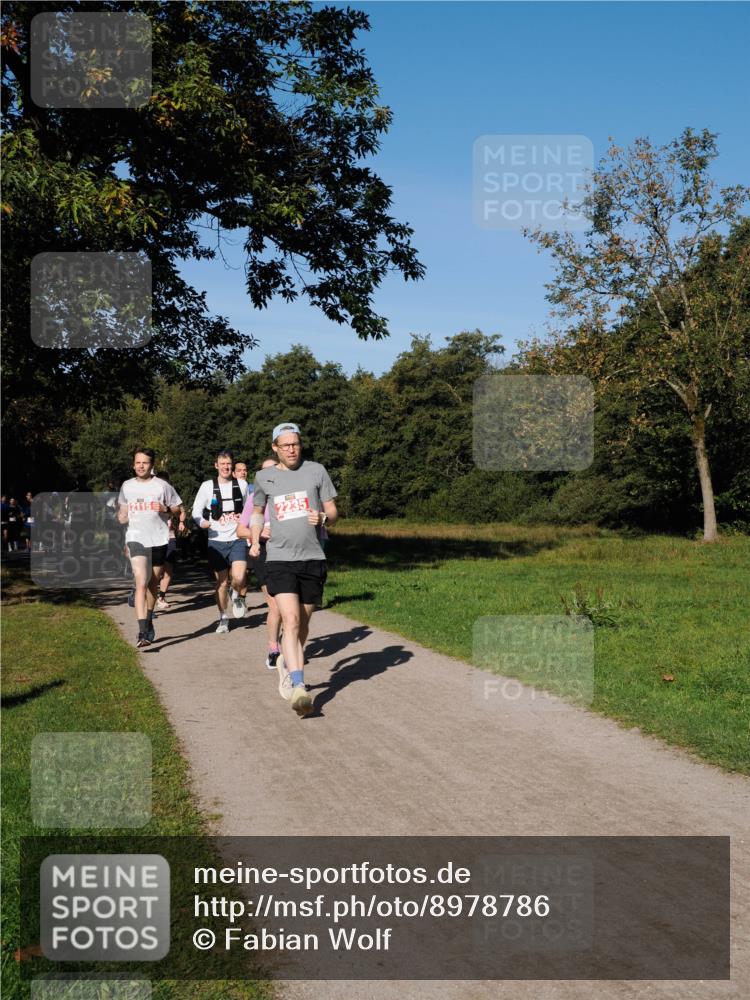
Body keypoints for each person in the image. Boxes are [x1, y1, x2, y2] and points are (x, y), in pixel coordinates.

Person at [249, 423, 338, 716]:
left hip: (312, 556)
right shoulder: (264, 477)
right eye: (285, 445)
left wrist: (323, 517)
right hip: (279, 558)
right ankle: (299, 686)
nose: (291, 449)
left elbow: (334, 512)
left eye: (295, 444)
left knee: (303, 622)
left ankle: (287, 662)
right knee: (290, 620)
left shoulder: (317, 471)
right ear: (275, 447)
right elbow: (258, 512)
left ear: (301, 444)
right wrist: (255, 537)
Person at [118, 448, 182, 647]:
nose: (141, 466)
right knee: (141, 582)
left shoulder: (162, 486)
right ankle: (142, 631)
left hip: (159, 539)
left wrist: (165, 509)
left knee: (154, 583)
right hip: (136, 538)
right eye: (138, 462)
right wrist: (122, 518)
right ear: (133, 464)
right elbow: (123, 512)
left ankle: (149, 617)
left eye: (145, 462)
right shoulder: (127, 486)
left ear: (152, 465)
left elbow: (177, 509)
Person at [192, 449, 249, 633]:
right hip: (216, 541)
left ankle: (236, 594)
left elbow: (249, 510)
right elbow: (196, 512)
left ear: (232, 466)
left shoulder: (241, 485)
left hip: (237, 538)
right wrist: (202, 522)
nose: (225, 467)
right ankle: (223, 617)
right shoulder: (207, 486)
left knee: (239, 577)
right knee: (222, 582)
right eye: (222, 463)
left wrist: (249, 530)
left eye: (228, 464)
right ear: (216, 465)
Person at [238, 458, 281, 669]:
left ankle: (290, 645)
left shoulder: (288, 495)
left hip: (289, 552)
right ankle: (274, 650)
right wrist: (260, 533)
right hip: (263, 551)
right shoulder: (255, 499)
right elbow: (240, 530)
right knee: (274, 604)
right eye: (265, 471)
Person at [154, 471, 187, 610]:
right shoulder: (150, 497)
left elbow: (182, 510)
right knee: (154, 571)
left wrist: (181, 522)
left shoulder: (171, 496)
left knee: (168, 571)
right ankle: (148, 596)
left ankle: (161, 597)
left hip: (170, 536)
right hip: (153, 538)